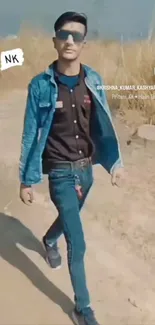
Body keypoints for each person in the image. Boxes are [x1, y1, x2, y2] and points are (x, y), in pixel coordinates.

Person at [19, 11, 124, 325]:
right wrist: (26, 179)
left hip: (86, 171)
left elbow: (104, 123)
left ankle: (49, 239)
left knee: (69, 218)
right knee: (78, 242)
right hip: (61, 173)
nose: (69, 40)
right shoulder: (39, 85)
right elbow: (29, 133)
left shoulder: (93, 80)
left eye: (76, 36)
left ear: (83, 43)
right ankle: (83, 307)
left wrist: (115, 163)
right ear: (54, 41)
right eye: (64, 34)